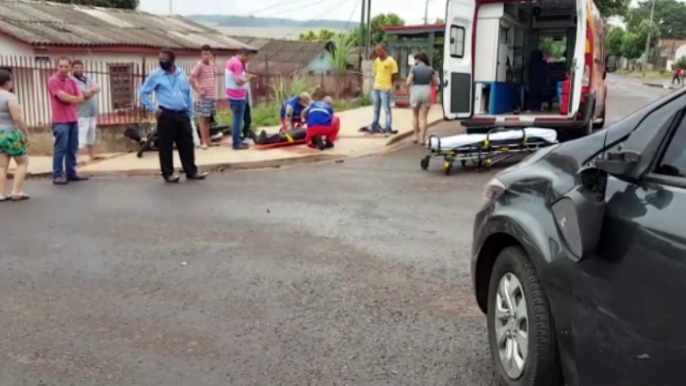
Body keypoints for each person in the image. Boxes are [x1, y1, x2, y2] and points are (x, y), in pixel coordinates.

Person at [140, 48, 208, 183]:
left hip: (182, 114)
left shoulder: (181, 73)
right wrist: (154, 108)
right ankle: (168, 173)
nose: (162, 61)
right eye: (160, 59)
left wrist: (190, 112)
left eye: (165, 59)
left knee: (187, 144)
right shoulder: (155, 75)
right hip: (166, 114)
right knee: (166, 145)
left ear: (172, 60)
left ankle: (191, 171)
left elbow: (187, 93)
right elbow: (143, 93)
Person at [48, 57, 88, 185]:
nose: (63, 69)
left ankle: (71, 172)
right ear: (57, 67)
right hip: (60, 121)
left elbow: (81, 98)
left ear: (70, 67)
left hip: (73, 119)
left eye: (66, 66)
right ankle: (57, 174)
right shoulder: (53, 81)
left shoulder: (72, 81)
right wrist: (73, 99)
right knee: (61, 148)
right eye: (61, 66)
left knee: (72, 147)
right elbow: (62, 97)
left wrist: (72, 99)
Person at [0, 69, 30, 201]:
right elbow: (17, 118)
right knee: (22, 162)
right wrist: (26, 134)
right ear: (8, 82)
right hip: (11, 134)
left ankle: (1, 193)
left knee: (1, 165)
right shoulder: (10, 97)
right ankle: (16, 191)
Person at [405, 53, 438, 146]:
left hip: (416, 90)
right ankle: (422, 139)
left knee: (415, 115)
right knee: (423, 117)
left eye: (416, 60)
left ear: (419, 59)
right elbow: (435, 83)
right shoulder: (430, 69)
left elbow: (408, 82)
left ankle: (416, 136)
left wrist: (407, 90)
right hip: (426, 90)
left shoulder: (414, 69)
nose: (415, 62)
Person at [72, 60, 102, 160]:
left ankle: (91, 155)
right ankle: (76, 157)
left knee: (91, 135)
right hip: (81, 113)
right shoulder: (72, 81)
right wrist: (92, 91)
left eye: (80, 67)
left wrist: (90, 91)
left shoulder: (87, 78)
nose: (79, 69)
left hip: (92, 112)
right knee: (81, 136)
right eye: (76, 67)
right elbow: (83, 94)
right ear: (72, 69)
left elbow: (98, 87)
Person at [226, 48, 255, 150]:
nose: (248, 60)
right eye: (248, 58)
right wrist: (249, 79)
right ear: (244, 55)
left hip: (232, 94)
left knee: (237, 119)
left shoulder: (230, 61)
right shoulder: (238, 64)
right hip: (237, 96)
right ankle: (237, 143)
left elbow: (237, 77)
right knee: (238, 120)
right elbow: (238, 81)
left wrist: (246, 76)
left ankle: (237, 139)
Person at [190, 44, 217, 149]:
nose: (205, 56)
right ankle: (204, 141)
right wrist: (198, 89)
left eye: (207, 54)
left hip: (212, 95)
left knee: (209, 118)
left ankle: (208, 140)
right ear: (201, 54)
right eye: (204, 54)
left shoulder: (213, 65)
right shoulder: (199, 65)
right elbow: (192, 78)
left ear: (211, 55)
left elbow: (213, 78)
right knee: (203, 118)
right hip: (203, 97)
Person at [369, 44, 398, 134]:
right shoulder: (377, 61)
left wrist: (390, 85)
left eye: (379, 50)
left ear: (384, 50)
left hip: (385, 89)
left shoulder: (391, 61)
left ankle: (388, 126)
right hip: (376, 88)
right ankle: (375, 125)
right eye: (376, 50)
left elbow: (394, 75)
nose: (377, 52)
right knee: (376, 108)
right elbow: (375, 73)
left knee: (386, 108)